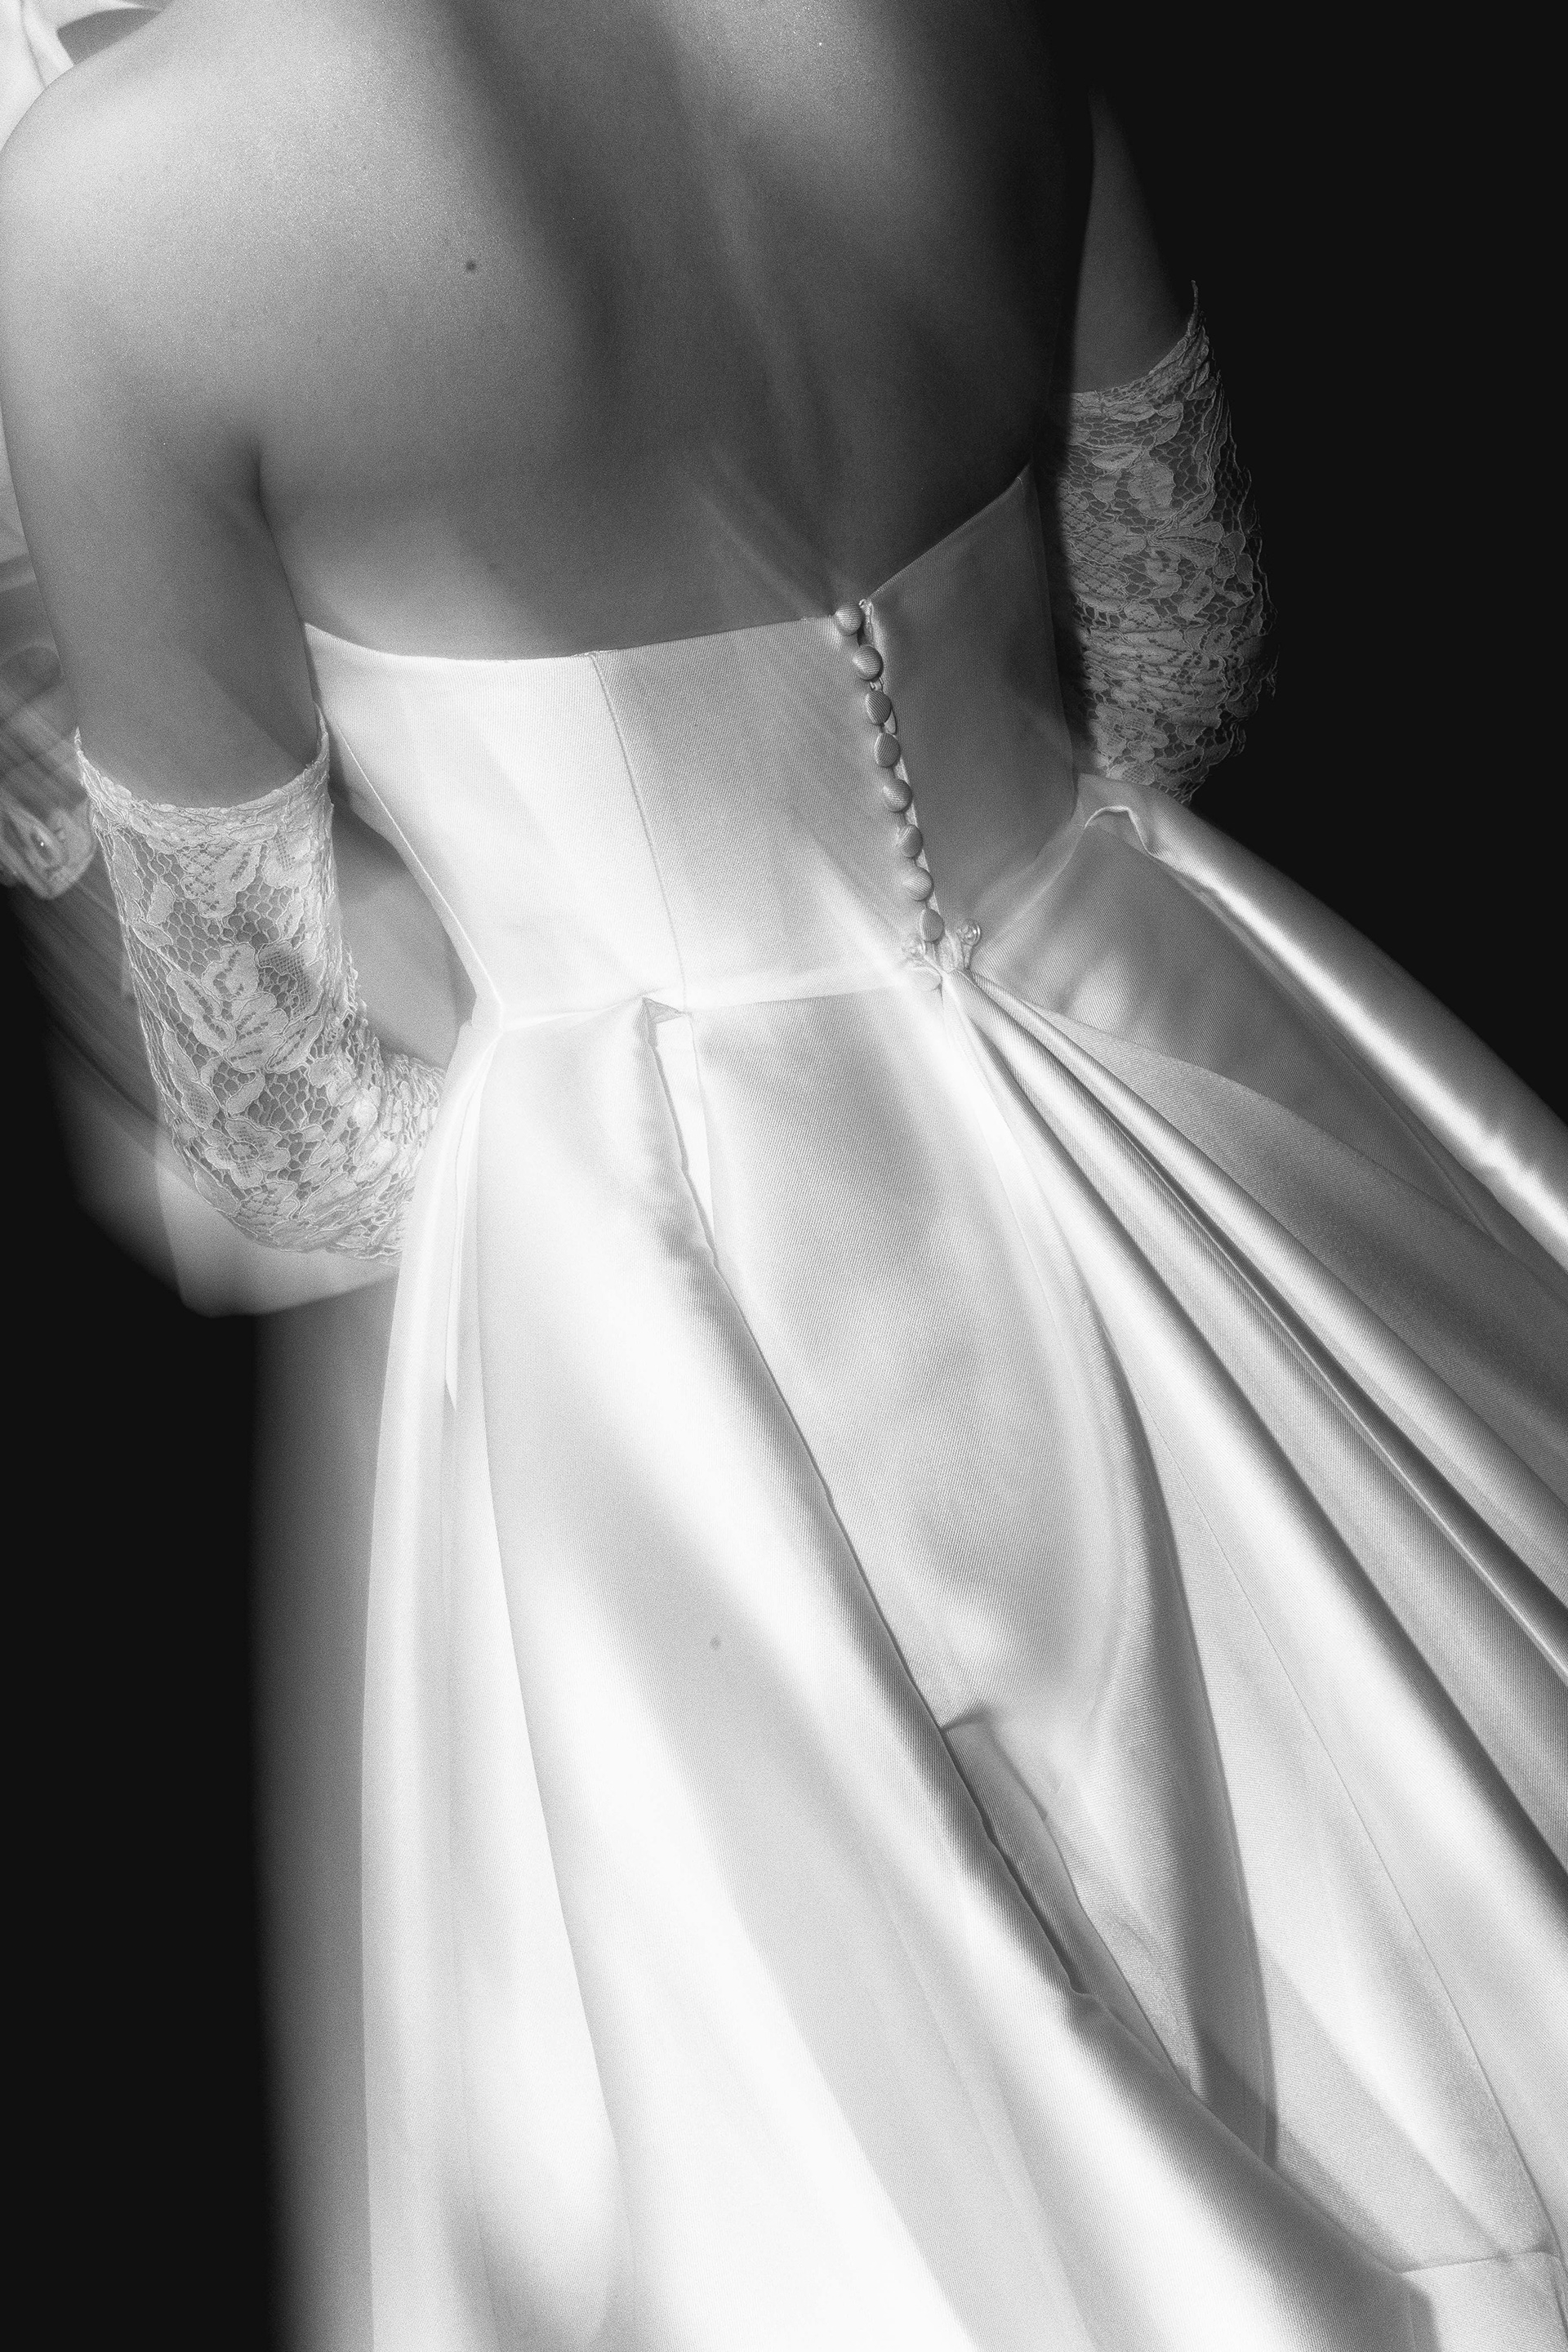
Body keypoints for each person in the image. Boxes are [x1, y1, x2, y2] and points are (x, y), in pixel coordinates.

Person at [2, 5, 1564, 2349]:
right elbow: (1183, 652)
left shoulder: (115, 202)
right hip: (1170, 1053)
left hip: (675, 1299)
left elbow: (282, 1132)